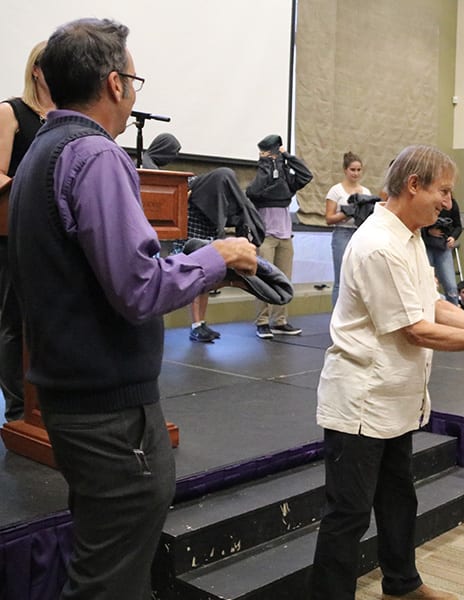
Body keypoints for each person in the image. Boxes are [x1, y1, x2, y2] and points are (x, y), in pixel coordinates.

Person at [7, 18, 258, 599]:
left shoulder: (38, 154)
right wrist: (218, 257)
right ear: (116, 84)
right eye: (135, 80)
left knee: (102, 563)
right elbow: (139, 288)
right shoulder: (95, 155)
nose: (135, 93)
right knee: (112, 579)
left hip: (66, 397)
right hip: (109, 413)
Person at [311, 144, 464, 600]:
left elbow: (431, 305)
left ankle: (402, 585)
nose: (448, 203)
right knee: (347, 515)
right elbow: (416, 330)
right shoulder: (377, 245)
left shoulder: (409, 237)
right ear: (413, 186)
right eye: (444, 191)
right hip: (361, 402)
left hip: (394, 398)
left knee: (398, 498)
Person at [142, 133, 266, 343]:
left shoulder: (189, 183)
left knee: (204, 282)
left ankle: (199, 324)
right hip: (177, 237)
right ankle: (190, 324)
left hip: (194, 234)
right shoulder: (148, 171)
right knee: (184, 280)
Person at [0, 41, 55, 422]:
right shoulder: (11, 111)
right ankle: (19, 406)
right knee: (13, 321)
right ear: (35, 69)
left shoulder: (73, 117)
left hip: (56, 237)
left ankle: (46, 403)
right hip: (14, 230)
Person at [246, 134, 312, 339]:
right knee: (264, 280)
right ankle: (263, 321)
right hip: (265, 235)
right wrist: (267, 164)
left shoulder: (287, 180)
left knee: (284, 280)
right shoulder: (262, 177)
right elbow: (255, 191)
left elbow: (306, 176)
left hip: (285, 235)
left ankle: (280, 321)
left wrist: (288, 157)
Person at [325, 151, 371, 306]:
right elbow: (329, 219)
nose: (356, 173)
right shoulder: (336, 190)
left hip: (361, 235)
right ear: (345, 170)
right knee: (341, 278)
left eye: (359, 170)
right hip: (342, 234)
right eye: (353, 170)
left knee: (360, 279)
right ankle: (336, 321)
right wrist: (346, 212)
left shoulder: (366, 192)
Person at [421, 197, 462, 304]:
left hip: (443, 248)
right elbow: (416, 224)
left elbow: (458, 226)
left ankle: (453, 315)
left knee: (451, 287)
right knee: (426, 283)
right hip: (427, 246)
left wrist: (453, 237)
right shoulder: (427, 202)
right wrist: (429, 231)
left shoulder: (452, 204)